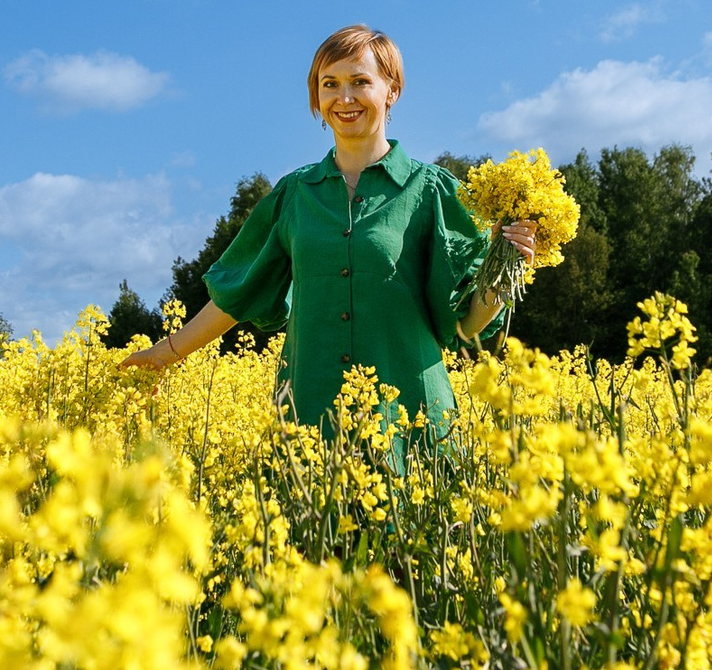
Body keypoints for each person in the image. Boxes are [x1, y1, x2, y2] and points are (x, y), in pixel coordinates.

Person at [117, 25, 536, 453]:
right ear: (316, 98)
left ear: (391, 91)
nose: (344, 97)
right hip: (310, 411)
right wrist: (164, 354)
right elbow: (239, 292)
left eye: (360, 82)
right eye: (329, 84)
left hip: (410, 418)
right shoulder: (294, 195)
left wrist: (509, 268)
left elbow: (465, 325)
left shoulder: (432, 191)